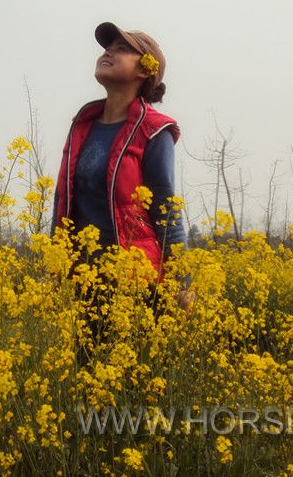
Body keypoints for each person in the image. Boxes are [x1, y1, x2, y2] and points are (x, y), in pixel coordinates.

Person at [50, 21, 194, 313]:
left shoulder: (154, 130)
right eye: (108, 48)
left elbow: (167, 210)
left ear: (144, 70)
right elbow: (62, 201)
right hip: (85, 282)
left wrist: (182, 284)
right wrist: (54, 266)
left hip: (137, 283)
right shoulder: (82, 125)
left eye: (123, 49)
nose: (109, 53)